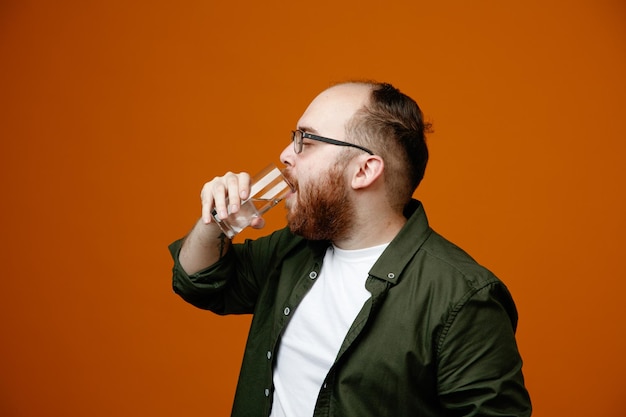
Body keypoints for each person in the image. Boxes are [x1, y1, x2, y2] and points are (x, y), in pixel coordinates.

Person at [169, 81, 532, 417]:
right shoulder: (293, 248)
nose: (284, 155)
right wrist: (215, 221)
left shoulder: (463, 299)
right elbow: (198, 281)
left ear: (364, 170)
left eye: (306, 142)